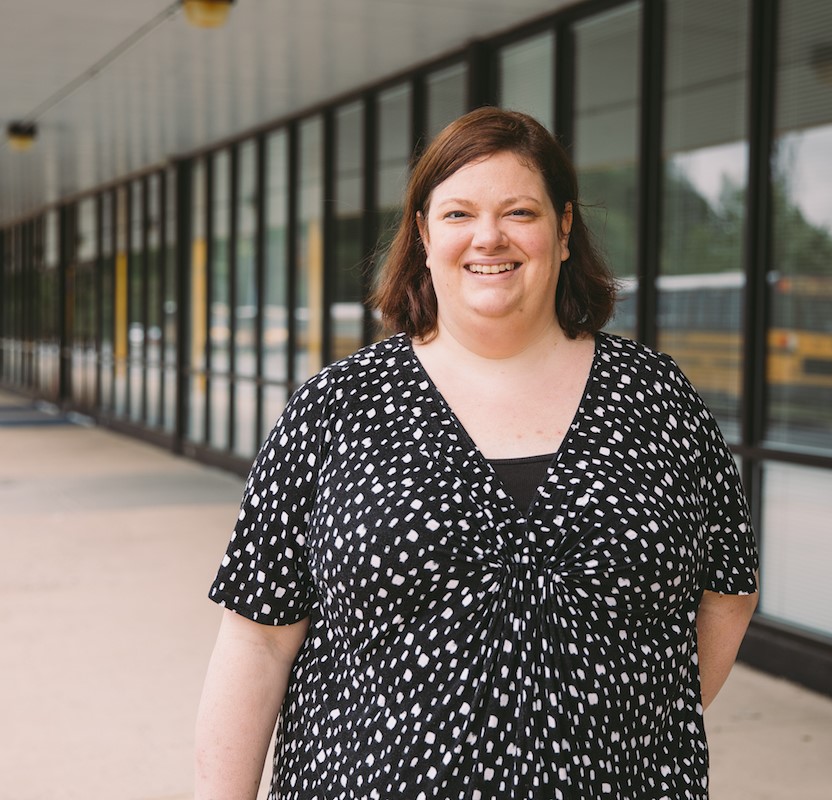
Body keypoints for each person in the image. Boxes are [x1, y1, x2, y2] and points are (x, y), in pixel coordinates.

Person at [195, 107, 759, 800]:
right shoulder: (335, 407)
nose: (488, 237)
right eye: (458, 213)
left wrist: (626, 728)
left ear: (563, 228)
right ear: (425, 235)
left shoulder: (656, 399)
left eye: (519, 211)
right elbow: (257, 638)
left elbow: (727, 591)